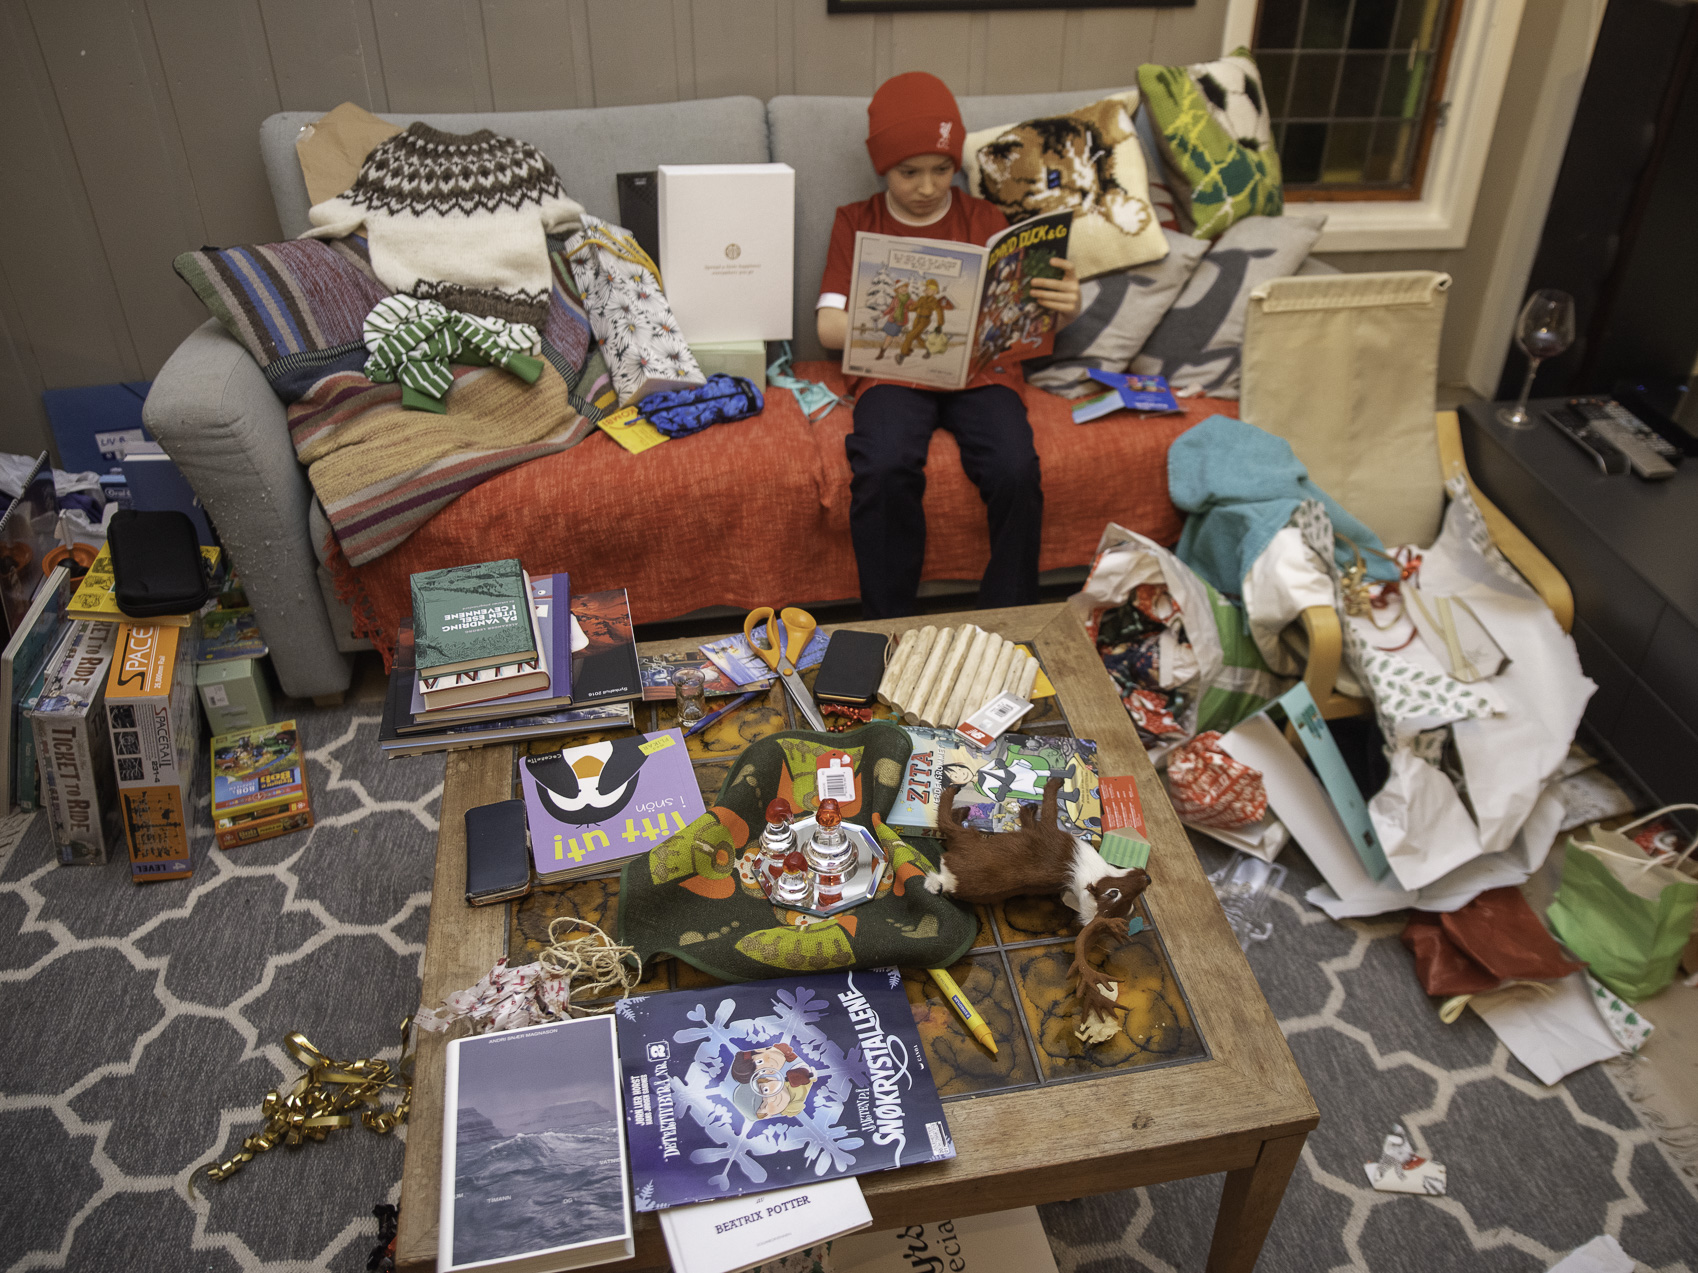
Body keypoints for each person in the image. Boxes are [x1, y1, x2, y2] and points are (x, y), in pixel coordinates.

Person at [818, 71, 1080, 619]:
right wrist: (890, 318)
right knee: (883, 466)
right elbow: (828, 328)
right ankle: (888, 625)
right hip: (893, 370)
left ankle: (1010, 621)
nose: (927, 188)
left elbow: (1022, 314)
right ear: (882, 167)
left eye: (941, 170)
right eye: (908, 173)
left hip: (980, 374)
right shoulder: (856, 221)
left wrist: (1063, 305)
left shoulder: (983, 218)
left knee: (1015, 467)